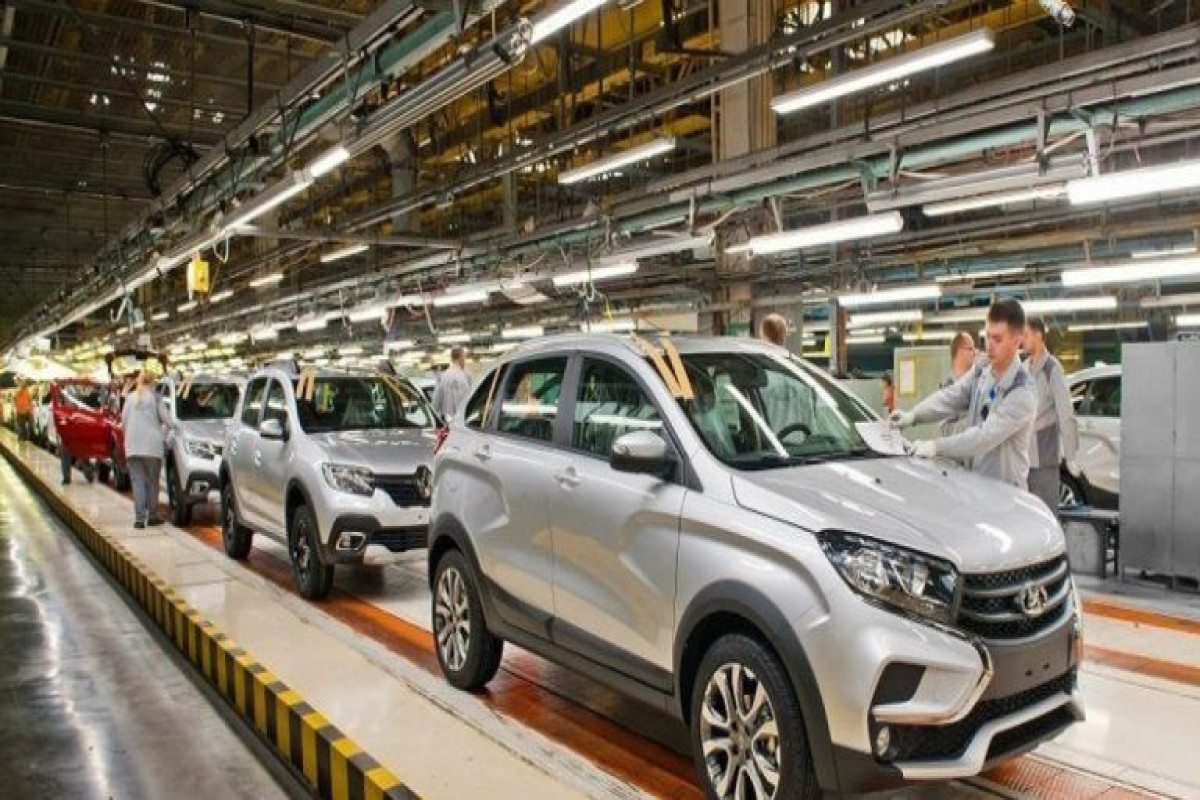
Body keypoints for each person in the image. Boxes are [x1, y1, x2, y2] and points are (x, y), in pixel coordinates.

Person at [889, 299, 1037, 489]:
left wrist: (936, 446)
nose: (989, 345)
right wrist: (914, 415)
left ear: (1016, 341)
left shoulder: (1022, 391)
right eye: (987, 336)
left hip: (1005, 492)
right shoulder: (982, 370)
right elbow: (951, 396)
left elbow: (983, 437)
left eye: (997, 339)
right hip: (975, 485)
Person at [1024, 317, 1079, 510]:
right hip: (1022, 461)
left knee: (1046, 513)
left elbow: (1066, 415)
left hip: (1044, 461)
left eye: (1026, 335)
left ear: (1038, 335)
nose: (1022, 340)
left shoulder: (1052, 369)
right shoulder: (1023, 369)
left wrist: (1071, 455)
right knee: (1025, 517)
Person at [122, 370, 167, 528]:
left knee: (138, 483)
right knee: (153, 482)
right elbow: (167, 420)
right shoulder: (156, 397)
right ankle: (152, 516)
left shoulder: (130, 398)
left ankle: (139, 519)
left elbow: (123, 422)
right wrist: (175, 428)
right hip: (152, 447)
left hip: (133, 446)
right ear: (153, 381)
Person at [432, 347, 471, 421]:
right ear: (461, 358)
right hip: (461, 420)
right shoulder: (465, 377)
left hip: (446, 419)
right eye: (464, 358)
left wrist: (435, 419)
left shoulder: (443, 376)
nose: (465, 361)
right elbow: (468, 399)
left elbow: (436, 401)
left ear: (451, 358)